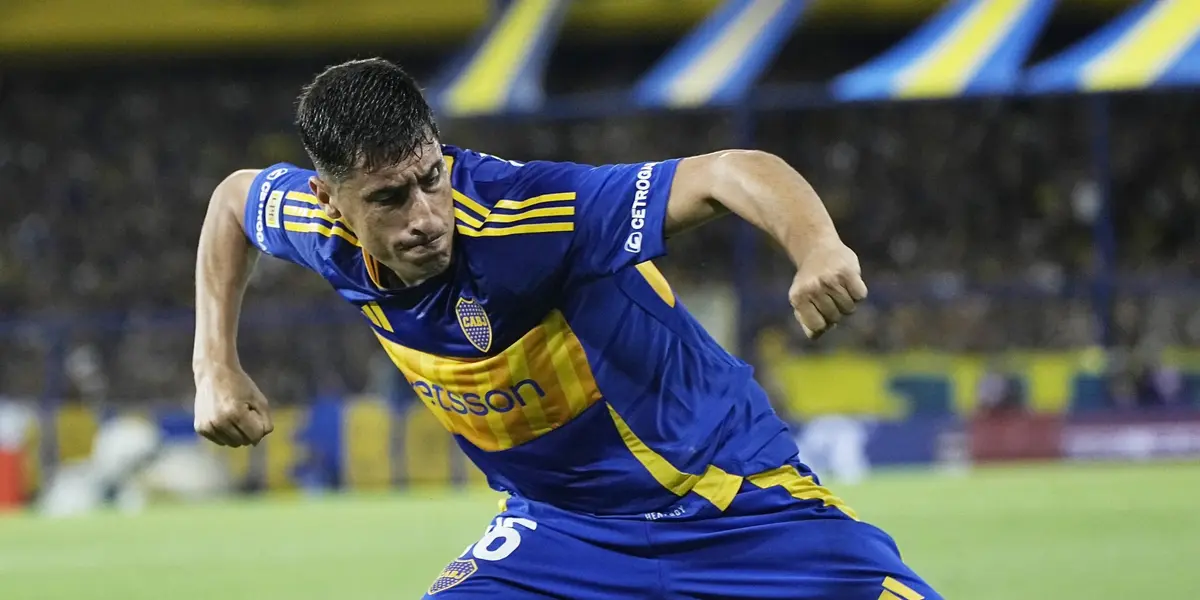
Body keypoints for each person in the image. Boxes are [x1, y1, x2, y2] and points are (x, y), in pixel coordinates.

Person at [192, 58, 939, 600]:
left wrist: (817, 247)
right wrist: (214, 365)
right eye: (388, 198)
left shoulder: (529, 213)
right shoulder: (314, 226)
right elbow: (232, 202)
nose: (423, 217)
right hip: (561, 535)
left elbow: (727, 171)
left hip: (731, 505)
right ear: (329, 199)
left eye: (431, 178)